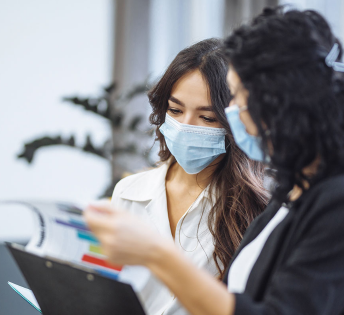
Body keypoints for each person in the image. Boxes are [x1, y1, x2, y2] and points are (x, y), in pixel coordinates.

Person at [86, 7, 344, 315]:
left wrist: (157, 254)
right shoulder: (293, 191)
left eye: (239, 99)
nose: (234, 113)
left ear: (284, 105)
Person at [109, 38, 268, 315]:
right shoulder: (128, 192)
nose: (185, 127)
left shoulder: (259, 207)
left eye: (207, 118)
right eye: (175, 110)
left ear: (237, 124)